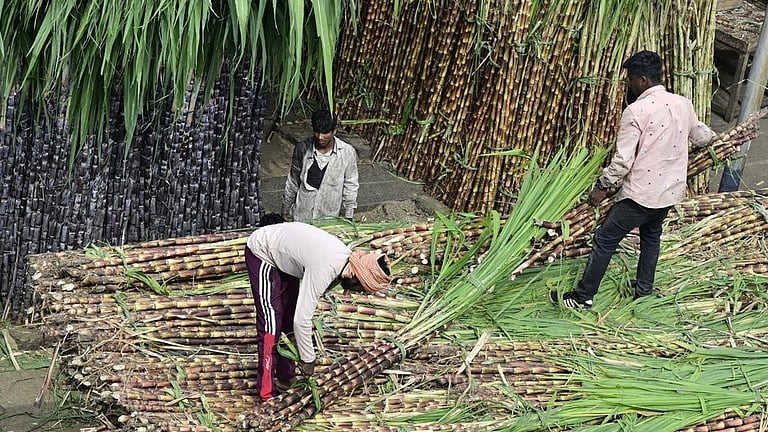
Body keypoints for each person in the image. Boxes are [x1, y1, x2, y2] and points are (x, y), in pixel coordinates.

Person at [550, 50, 715, 310]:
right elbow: (702, 135)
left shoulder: (636, 111)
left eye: (630, 79)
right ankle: (643, 291)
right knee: (651, 236)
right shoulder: (683, 103)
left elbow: (623, 161)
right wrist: (715, 141)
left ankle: (583, 297)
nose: (628, 84)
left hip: (641, 194)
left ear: (642, 80)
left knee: (605, 239)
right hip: (670, 192)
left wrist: (602, 187)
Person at [244, 221, 391, 401]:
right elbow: (302, 320)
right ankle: (265, 393)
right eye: (360, 288)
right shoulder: (327, 267)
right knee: (271, 324)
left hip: (288, 258)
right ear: (356, 276)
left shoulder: (344, 262)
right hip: (264, 251)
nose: (356, 293)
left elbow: (297, 318)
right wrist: (309, 359)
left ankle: (285, 378)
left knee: (288, 320)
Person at [281, 109, 359, 222]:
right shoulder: (302, 149)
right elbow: (293, 181)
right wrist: (285, 208)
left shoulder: (347, 153)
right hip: (302, 216)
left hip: (328, 219)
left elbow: (351, 184)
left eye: (325, 133)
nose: (320, 137)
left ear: (334, 131)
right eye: (317, 131)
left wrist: (349, 215)